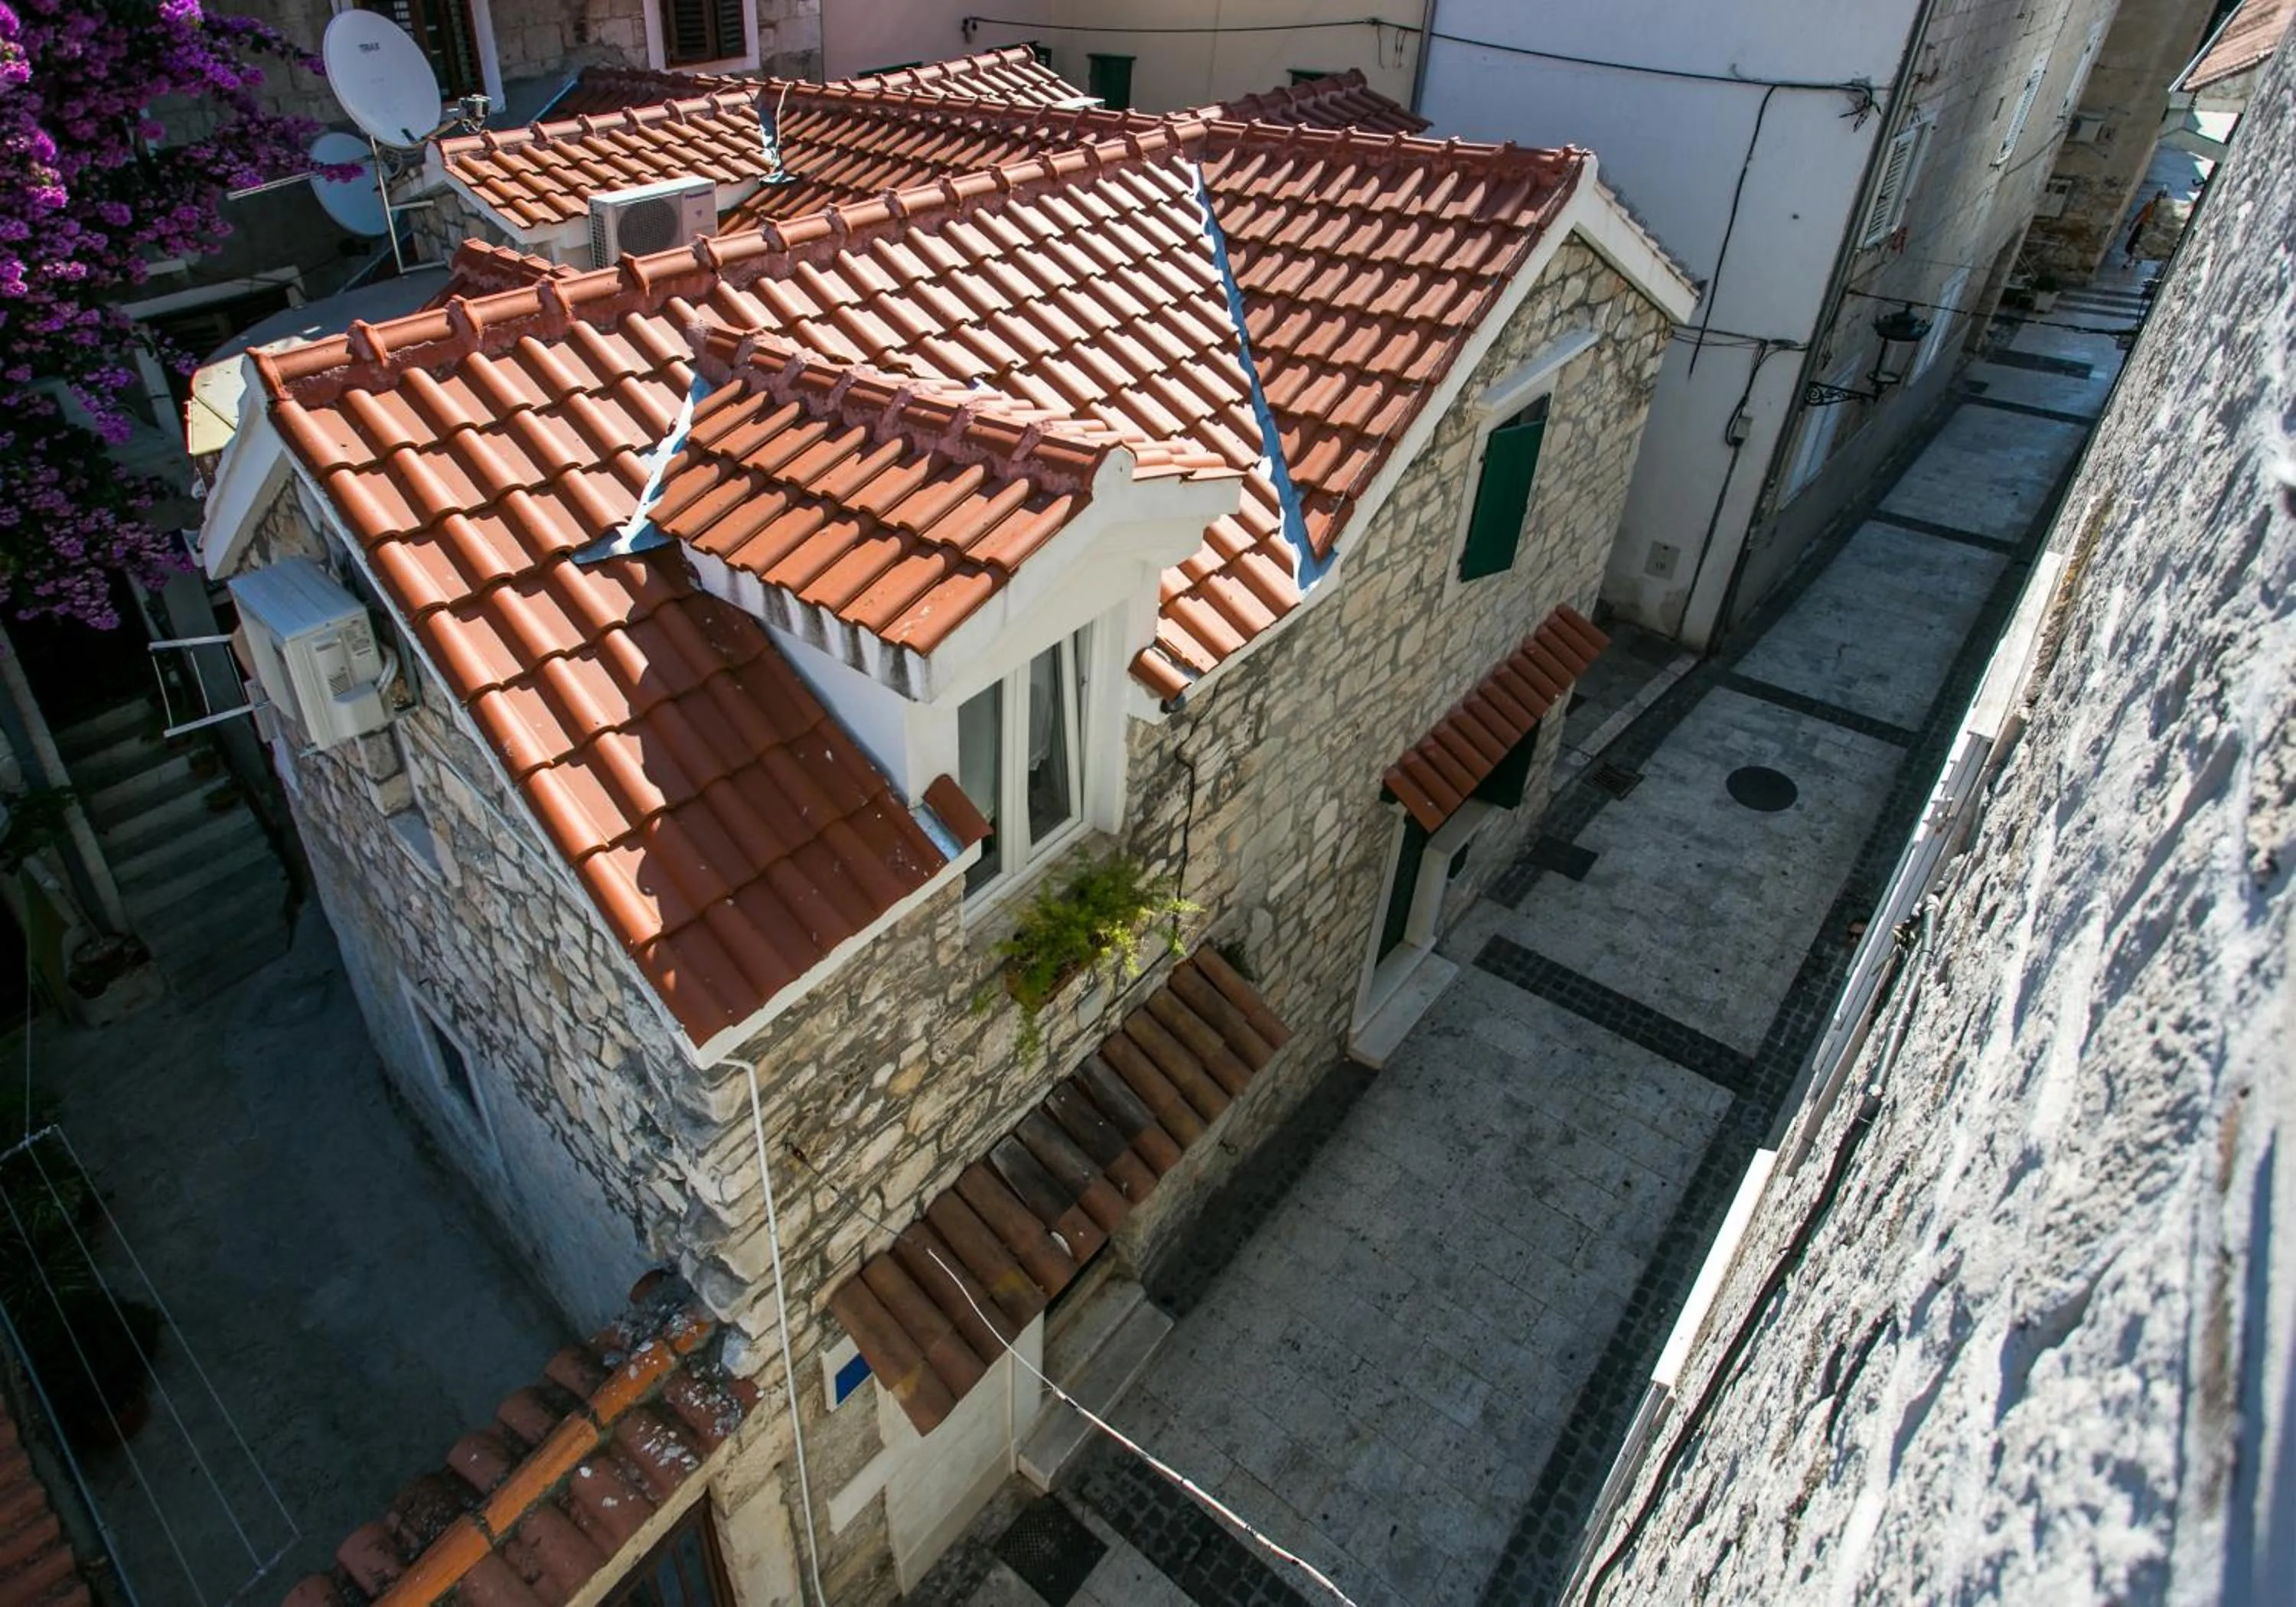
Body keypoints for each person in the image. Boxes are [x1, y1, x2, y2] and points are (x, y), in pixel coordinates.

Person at [2124, 186, 2169, 267]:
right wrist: (2132, 223)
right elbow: (2141, 213)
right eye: (2158, 196)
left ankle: (2135, 259)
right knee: (2134, 243)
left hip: (2150, 229)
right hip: (2142, 226)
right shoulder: (2150, 204)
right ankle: (2130, 260)